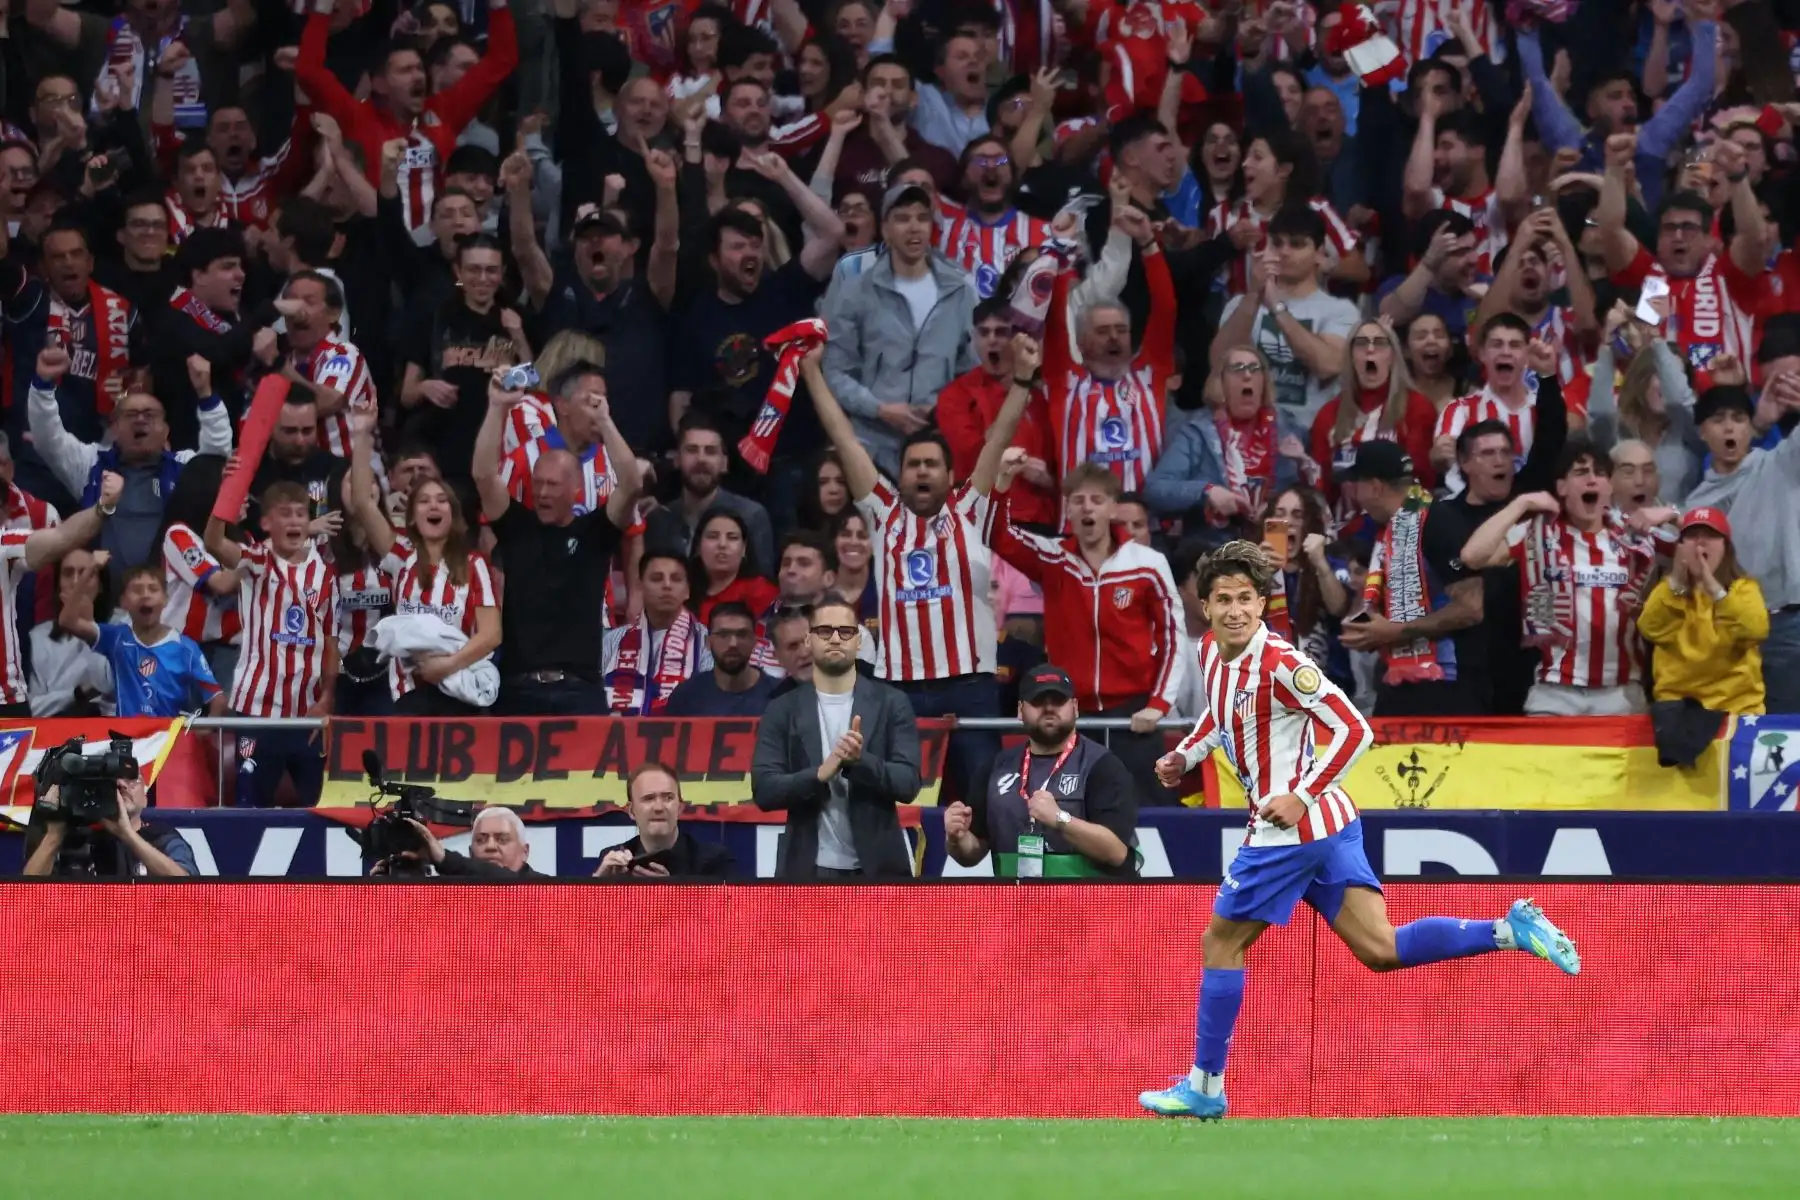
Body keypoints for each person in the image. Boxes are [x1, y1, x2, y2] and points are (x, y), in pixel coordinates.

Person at [1136, 540, 1580, 1121]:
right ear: (1206, 606)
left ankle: (1204, 1087)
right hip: (1332, 826)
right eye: (1224, 600)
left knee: (1220, 944)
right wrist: (1187, 755)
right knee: (1380, 949)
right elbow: (1222, 716)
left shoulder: (1283, 665)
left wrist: (1299, 796)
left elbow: (1355, 730)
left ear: (1262, 602)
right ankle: (1508, 930)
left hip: (1290, 833)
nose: (1236, 610)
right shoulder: (1211, 653)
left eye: (1246, 598)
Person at [801, 347, 1003, 801]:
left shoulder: (970, 508)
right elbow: (844, 438)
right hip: (900, 689)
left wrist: (1025, 382)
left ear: (950, 474)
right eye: (913, 464)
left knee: (984, 799)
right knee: (893, 801)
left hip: (970, 684)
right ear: (902, 473)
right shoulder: (882, 513)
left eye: (931, 464)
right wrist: (811, 370)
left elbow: (998, 439)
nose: (922, 471)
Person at [982, 373, 1187, 806]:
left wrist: (1158, 704)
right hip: (1072, 715)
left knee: (1150, 817)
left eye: (1096, 500)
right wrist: (1001, 482)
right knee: (1073, 816)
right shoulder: (1054, 558)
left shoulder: (1147, 564)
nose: (1087, 508)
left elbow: (1173, 637)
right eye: (1078, 500)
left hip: (1134, 716)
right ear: (1068, 511)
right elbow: (997, 535)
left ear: (1113, 508)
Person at [1459, 439, 1657, 717]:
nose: (1592, 479)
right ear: (1562, 487)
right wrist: (1521, 503)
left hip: (1621, 693)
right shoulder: (1538, 532)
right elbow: (1472, 556)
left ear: (1610, 486)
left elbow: (1702, 546)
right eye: (1581, 472)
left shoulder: (1634, 535)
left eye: (1600, 473)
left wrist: (1673, 515)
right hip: (1556, 693)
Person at [752, 592, 921, 880]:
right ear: (809, 640)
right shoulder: (781, 709)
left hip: (880, 871)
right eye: (824, 631)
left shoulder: (892, 702)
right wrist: (819, 775)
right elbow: (764, 790)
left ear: (858, 641)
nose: (834, 639)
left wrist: (860, 762)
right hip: (806, 872)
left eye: (845, 631)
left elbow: (908, 784)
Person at [28, 344, 233, 581]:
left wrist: (205, 392)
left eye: (150, 415)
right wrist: (43, 384)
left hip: (169, 595)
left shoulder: (183, 466)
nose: (140, 420)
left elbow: (216, 455)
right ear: (115, 428)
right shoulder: (90, 464)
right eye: (130, 414)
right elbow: (48, 439)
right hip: (104, 595)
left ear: (166, 430)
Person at [347, 409, 501, 715]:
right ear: (412, 517)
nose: (434, 505)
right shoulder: (401, 555)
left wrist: (447, 665)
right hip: (408, 693)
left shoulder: (473, 563)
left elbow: (491, 634)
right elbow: (363, 502)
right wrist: (362, 435)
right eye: (424, 501)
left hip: (458, 691)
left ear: (453, 514)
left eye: (442, 500)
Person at [820, 182, 976, 478]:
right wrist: (879, 409)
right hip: (872, 445)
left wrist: (942, 409)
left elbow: (971, 370)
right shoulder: (856, 292)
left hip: (937, 444)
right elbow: (835, 370)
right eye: (903, 218)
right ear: (885, 229)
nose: (914, 227)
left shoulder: (959, 291)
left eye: (922, 218)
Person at [206, 480, 341, 806]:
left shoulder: (324, 574)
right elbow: (214, 542)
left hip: (307, 715)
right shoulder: (256, 560)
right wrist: (227, 492)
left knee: (320, 807)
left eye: (300, 514)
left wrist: (327, 698)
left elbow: (331, 642)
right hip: (257, 711)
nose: (294, 521)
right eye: (285, 514)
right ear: (266, 522)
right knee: (250, 806)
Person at [943, 664, 1139, 878]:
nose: (1048, 708)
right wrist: (957, 838)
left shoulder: (1102, 765)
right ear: (1020, 710)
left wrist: (1060, 819)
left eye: (1058, 701)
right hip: (1017, 897)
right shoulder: (996, 768)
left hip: (1088, 898)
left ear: (1075, 707)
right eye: (1038, 701)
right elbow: (971, 854)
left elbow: (1116, 852)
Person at [1335, 442, 1486, 717]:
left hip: (1445, 685)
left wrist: (1395, 631)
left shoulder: (1439, 522)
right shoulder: (1388, 531)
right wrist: (1369, 630)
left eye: (1358, 485)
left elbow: (1471, 608)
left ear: (1375, 487)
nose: (1356, 495)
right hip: (1399, 679)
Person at [1680, 372, 1800, 714]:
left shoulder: (1780, 463)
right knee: (1737, 733)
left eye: (1738, 419)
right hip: (1730, 632)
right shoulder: (1696, 503)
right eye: (1718, 420)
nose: (1729, 427)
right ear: (1702, 432)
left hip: (1788, 624)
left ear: (1751, 427)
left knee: (1789, 733)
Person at [1043, 206, 1175, 492]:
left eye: (1121, 330)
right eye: (1102, 331)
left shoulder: (1149, 376)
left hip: (1142, 517)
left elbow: (1166, 309)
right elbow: (1054, 322)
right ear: (1080, 341)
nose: (1114, 337)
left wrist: (1148, 244)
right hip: (1079, 518)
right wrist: (1061, 251)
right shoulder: (1065, 382)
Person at [1212, 205, 1359, 428]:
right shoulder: (1241, 304)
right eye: (1277, 243)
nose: (1284, 252)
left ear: (1320, 254)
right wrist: (1253, 296)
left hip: (1309, 431)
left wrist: (1277, 308)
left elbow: (1328, 365)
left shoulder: (1341, 311)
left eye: (1297, 244)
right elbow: (1218, 362)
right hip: (1248, 430)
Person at [1638, 507, 1767, 717]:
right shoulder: (1668, 590)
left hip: (1737, 709)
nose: (1700, 542)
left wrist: (1714, 589)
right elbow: (1649, 629)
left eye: (1711, 535)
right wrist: (1677, 582)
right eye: (1692, 536)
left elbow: (1755, 630)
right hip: (1678, 710)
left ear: (1726, 547)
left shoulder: (1744, 588)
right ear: (1680, 547)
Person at [1310, 319, 1439, 521]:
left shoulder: (1417, 408)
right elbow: (1322, 490)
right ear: (1351, 357)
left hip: (1403, 525)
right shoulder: (1328, 415)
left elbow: (1423, 480)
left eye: (1379, 343)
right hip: (1344, 529)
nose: (1370, 349)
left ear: (1392, 356)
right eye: (1361, 343)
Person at [57, 564, 224, 718]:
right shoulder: (115, 637)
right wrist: (89, 570)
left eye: (153, 589)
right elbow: (67, 621)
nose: (145, 595)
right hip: (128, 737)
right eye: (137, 590)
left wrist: (204, 730)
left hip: (168, 737)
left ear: (165, 599)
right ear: (123, 602)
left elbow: (217, 698)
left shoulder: (186, 648)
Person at [642, 414, 775, 569]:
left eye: (710, 451)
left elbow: (763, 580)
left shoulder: (751, 516)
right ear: (677, 460)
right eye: (692, 450)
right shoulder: (659, 520)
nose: (701, 459)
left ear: (724, 463)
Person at [22, 778, 196, 879]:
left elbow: (189, 888)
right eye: (112, 782)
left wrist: (127, 834)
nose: (121, 784)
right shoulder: (74, 836)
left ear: (145, 797)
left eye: (132, 779)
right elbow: (25, 896)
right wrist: (54, 835)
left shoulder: (163, 837)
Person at [602, 552, 709, 715]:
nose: (667, 585)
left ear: (687, 590)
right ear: (640, 586)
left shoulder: (705, 640)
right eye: (657, 579)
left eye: (676, 579)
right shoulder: (613, 640)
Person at [594, 762, 735, 880]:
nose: (659, 807)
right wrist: (595, 885)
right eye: (648, 798)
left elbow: (723, 906)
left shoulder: (713, 861)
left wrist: (669, 891)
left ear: (680, 807)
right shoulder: (615, 864)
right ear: (631, 811)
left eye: (668, 798)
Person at [664, 602, 781, 717]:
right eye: (723, 635)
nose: (733, 644)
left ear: (754, 642)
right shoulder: (685, 696)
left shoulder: (781, 696)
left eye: (742, 634)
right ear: (708, 642)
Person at [376, 807, 547, 879]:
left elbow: (508, 881)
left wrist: (444, 858)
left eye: (502, 839)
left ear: (525, 852)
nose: (490, 846)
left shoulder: (550, 892)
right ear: (471, 852)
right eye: (481, 840)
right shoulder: (452, 895)